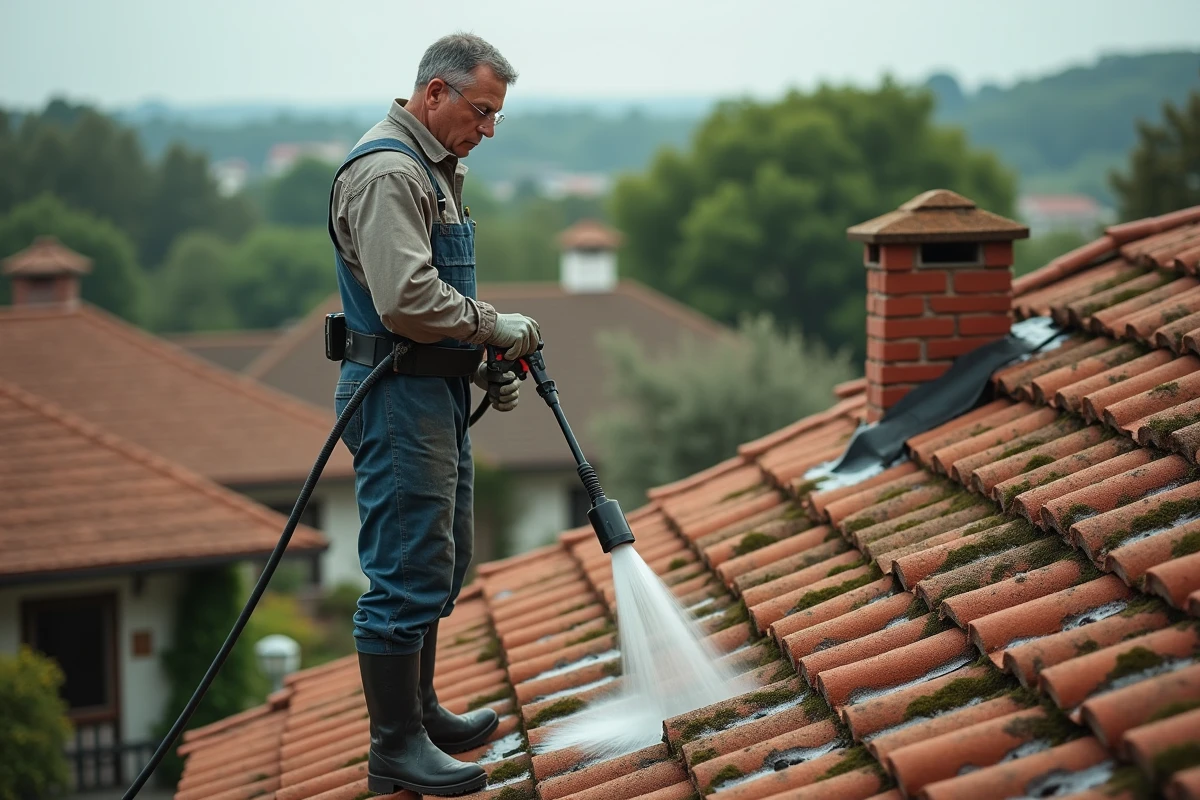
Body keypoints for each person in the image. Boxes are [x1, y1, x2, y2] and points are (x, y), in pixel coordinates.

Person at [327, 33, 539, 797]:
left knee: (441, 559)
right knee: (405, 570)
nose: (486, 129)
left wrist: (479, 362)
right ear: (435, 94)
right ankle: (395, 748)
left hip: (430, 388)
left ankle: (419, 711)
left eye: (496, 118)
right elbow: (409, 300)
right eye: (480, 111)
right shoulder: (389, 171)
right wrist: (492, 326)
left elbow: (432, 310)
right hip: (394, 396)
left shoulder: (435, 169)